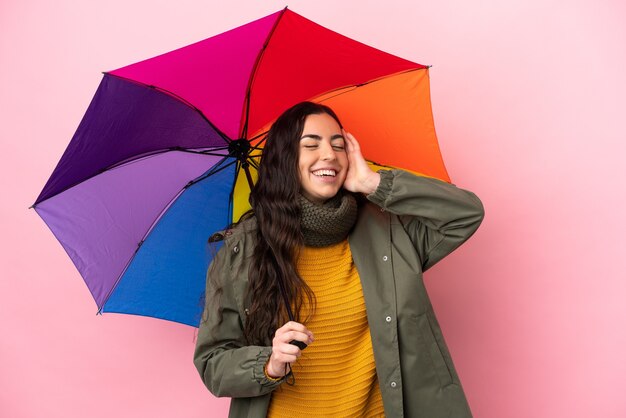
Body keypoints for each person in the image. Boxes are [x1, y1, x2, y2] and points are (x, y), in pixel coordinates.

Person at [194, 101, 484, 418]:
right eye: (311, 145)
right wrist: (270, 361)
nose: (330, 155)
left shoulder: (387, 232)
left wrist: (374, 184)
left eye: (338, 144)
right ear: (285, 161)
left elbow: (465, 215)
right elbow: (213, 361)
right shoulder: (244, 250)